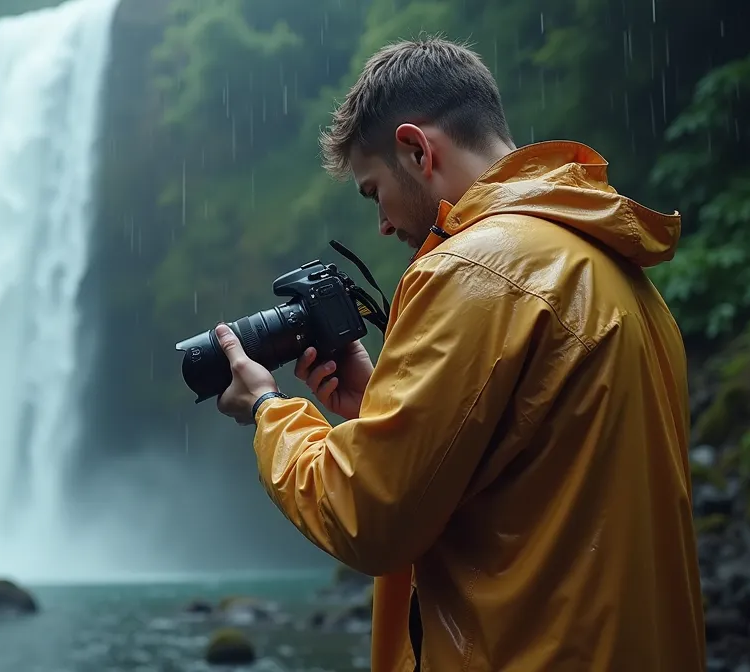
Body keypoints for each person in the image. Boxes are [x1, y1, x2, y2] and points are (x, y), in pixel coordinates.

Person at [211, 37, 706, 671]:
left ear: (417, 150)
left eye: (373, 191)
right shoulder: (619, 273)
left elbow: (368, 518)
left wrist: (267, 409)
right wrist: (379, 410)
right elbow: (539, 479)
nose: (382, 224)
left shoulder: (471, 269)